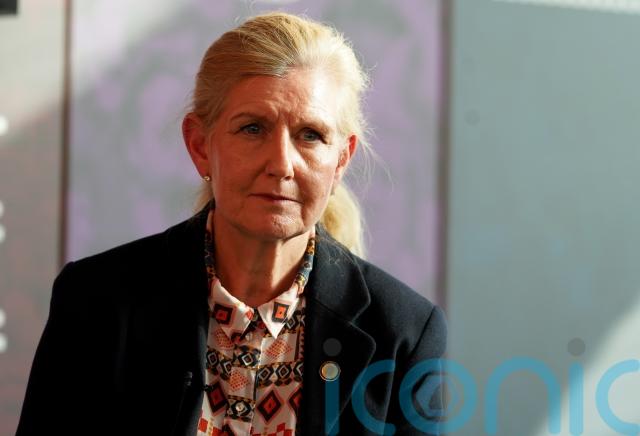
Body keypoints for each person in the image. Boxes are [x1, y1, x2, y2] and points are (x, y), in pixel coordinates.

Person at [16, 12, 447, 436]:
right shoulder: (95, 303)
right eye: (253, 128)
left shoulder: (404, 333)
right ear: (200, 146)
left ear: (341, 160)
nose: (281, 164)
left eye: (310, 135)